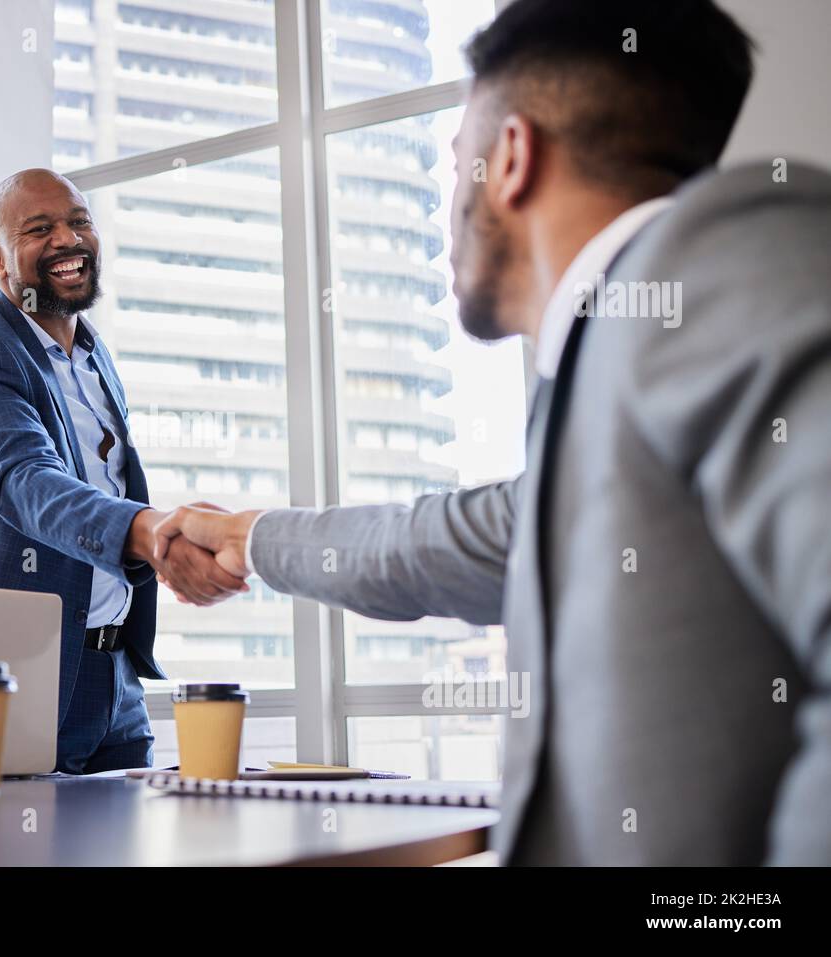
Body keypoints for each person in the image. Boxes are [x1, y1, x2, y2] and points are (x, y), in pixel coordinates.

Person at [153, 0, 831, 864]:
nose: (448, 203)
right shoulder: (609, 367)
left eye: (453, 161)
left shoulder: (711, 261)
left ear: (510, 157)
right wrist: (252, 538)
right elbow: (447, 542)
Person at [0, 169, 246, 773]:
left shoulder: (93, 356)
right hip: (14, 680)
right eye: (39, 228)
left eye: (78, 221)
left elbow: (105, 488)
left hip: (113, 678)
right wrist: (153, 533)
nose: (66, 240)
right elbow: (28, 482)